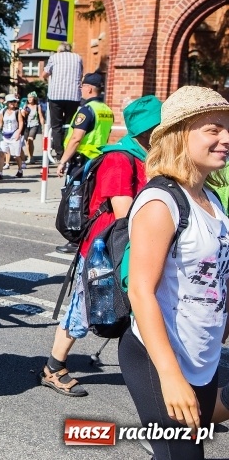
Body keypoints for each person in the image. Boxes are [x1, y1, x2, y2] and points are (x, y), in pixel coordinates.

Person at [120, 85, 229, 460]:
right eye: (213, 129)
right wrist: (169, 376)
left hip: (202, 357)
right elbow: (140, 291)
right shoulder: (161, 201)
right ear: (180, 135)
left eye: (227, 129)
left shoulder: (211, 200)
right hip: (159, 359)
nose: (226, 139)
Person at [39, 95, 162, 397]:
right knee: (85, 308)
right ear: (149, 130)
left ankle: (156, 372)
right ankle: (53, 367)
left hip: (129, 248)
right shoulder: (120, 159)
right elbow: (124, 215)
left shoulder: (148, 156)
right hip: (104, 251)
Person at [55, 72, 114, 254]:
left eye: (82, 86)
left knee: (76, 200)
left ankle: (75, 239)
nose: (81, 89)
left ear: (89, 88)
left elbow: (76, 138)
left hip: (82, 163)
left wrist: (62, 161)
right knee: (89, 200)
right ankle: (89, 236)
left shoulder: (86, 110)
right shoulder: (106, 110)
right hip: (97, 161)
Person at [42, 42, 83, 162]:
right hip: (73, 96)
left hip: (56, 95)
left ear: (59, 50)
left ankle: (60, 154)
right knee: (70, 125)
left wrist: (47, 78)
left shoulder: (54, 57)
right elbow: (81, 75)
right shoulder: (78, 58)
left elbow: (44, 74)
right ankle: (69, 152)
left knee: (56, 126)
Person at [0, 94, 25, 180]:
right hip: (5, 135)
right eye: (11, 102)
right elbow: (0, 121)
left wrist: (18, 132)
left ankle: (20, 170)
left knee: (16, 156)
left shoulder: (17, 111)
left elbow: (21, 122)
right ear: (7, 103)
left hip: (14, 134)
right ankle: (0, 173)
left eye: (14, 101)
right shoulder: (4, 111)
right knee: (2, 154)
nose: (13, 103)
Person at [22, 91, 45, 165]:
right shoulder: (25, 106)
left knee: (30, 139)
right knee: (27, 142)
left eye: (31, 97)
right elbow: (22, 116)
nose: (29, 99)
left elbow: (41, 116)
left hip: (34, 124)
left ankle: (31, 157)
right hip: (26, 125)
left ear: (34, 98)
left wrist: (43, 126)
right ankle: (29, 157)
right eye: (28, 97)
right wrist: (24, 113)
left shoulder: (37, 106)